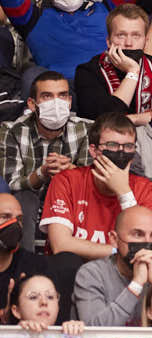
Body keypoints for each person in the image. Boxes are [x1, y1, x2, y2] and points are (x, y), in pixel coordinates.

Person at [41, 112, 152, 261]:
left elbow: (146, 248)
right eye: (112, 145)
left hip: (122, 274)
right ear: (94, 151)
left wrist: (124, 192)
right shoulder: (67, 181)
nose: (120, 152)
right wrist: (121, 251)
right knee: (67, 262)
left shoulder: (145, 189)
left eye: (128, 146)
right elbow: (61, 245)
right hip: (74, 272)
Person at [1, 71, 91, 243]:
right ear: (32, 104)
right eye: (47, 96)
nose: (56, 103)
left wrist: (70, 171)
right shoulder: (11, 131)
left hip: (73, 201)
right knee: (24, 198)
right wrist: (42, 173)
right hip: (30, 203)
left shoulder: (87, 129)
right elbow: (13, 183)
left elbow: (94, 181)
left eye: (62, 95)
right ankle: (24, 263)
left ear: (70, 102)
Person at [72, 205, 152, 327]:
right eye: (138, 234)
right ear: (114, 239)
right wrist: (136, 285)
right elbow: (95, 332)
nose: (148, 243)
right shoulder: (92, 274)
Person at [73, 3, 152, 122]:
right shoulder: (88, 71)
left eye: (136, 36)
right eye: (121, 35)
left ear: (146, 41)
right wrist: (132, 72)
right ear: (108, 41)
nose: (129, 43)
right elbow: (103, 123)